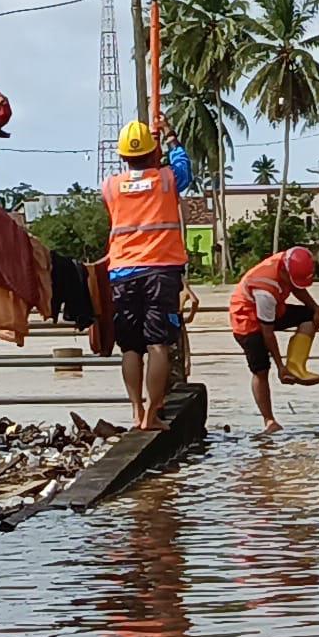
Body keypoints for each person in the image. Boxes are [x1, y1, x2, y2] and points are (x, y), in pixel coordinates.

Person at [102, 117, 192, 431]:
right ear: (153, 152)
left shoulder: (111, 186)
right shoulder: (167, 180)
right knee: (158, 346)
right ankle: (152, 416)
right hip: (160, 272)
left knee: (130, 348)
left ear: (123, 155)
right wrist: (170, 134)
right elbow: (184, 167)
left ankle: (137, 410)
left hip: (122, 273)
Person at [229, 247, 319, 434]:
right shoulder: (265, 290)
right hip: (247, 320)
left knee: (309, 317)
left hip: (274, 307)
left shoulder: (288, 261)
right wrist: (280, 366)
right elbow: (267, 333)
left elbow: (297, 288)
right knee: (261, 369)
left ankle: (296, 367)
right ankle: (269, 420)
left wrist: (315, 309)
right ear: (283, 272)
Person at [169, 277, 200, 385]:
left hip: (162, 319)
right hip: (178, 320)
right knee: (182, 359)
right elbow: (194, 300)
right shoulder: (180, 281)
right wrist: (190, 316)